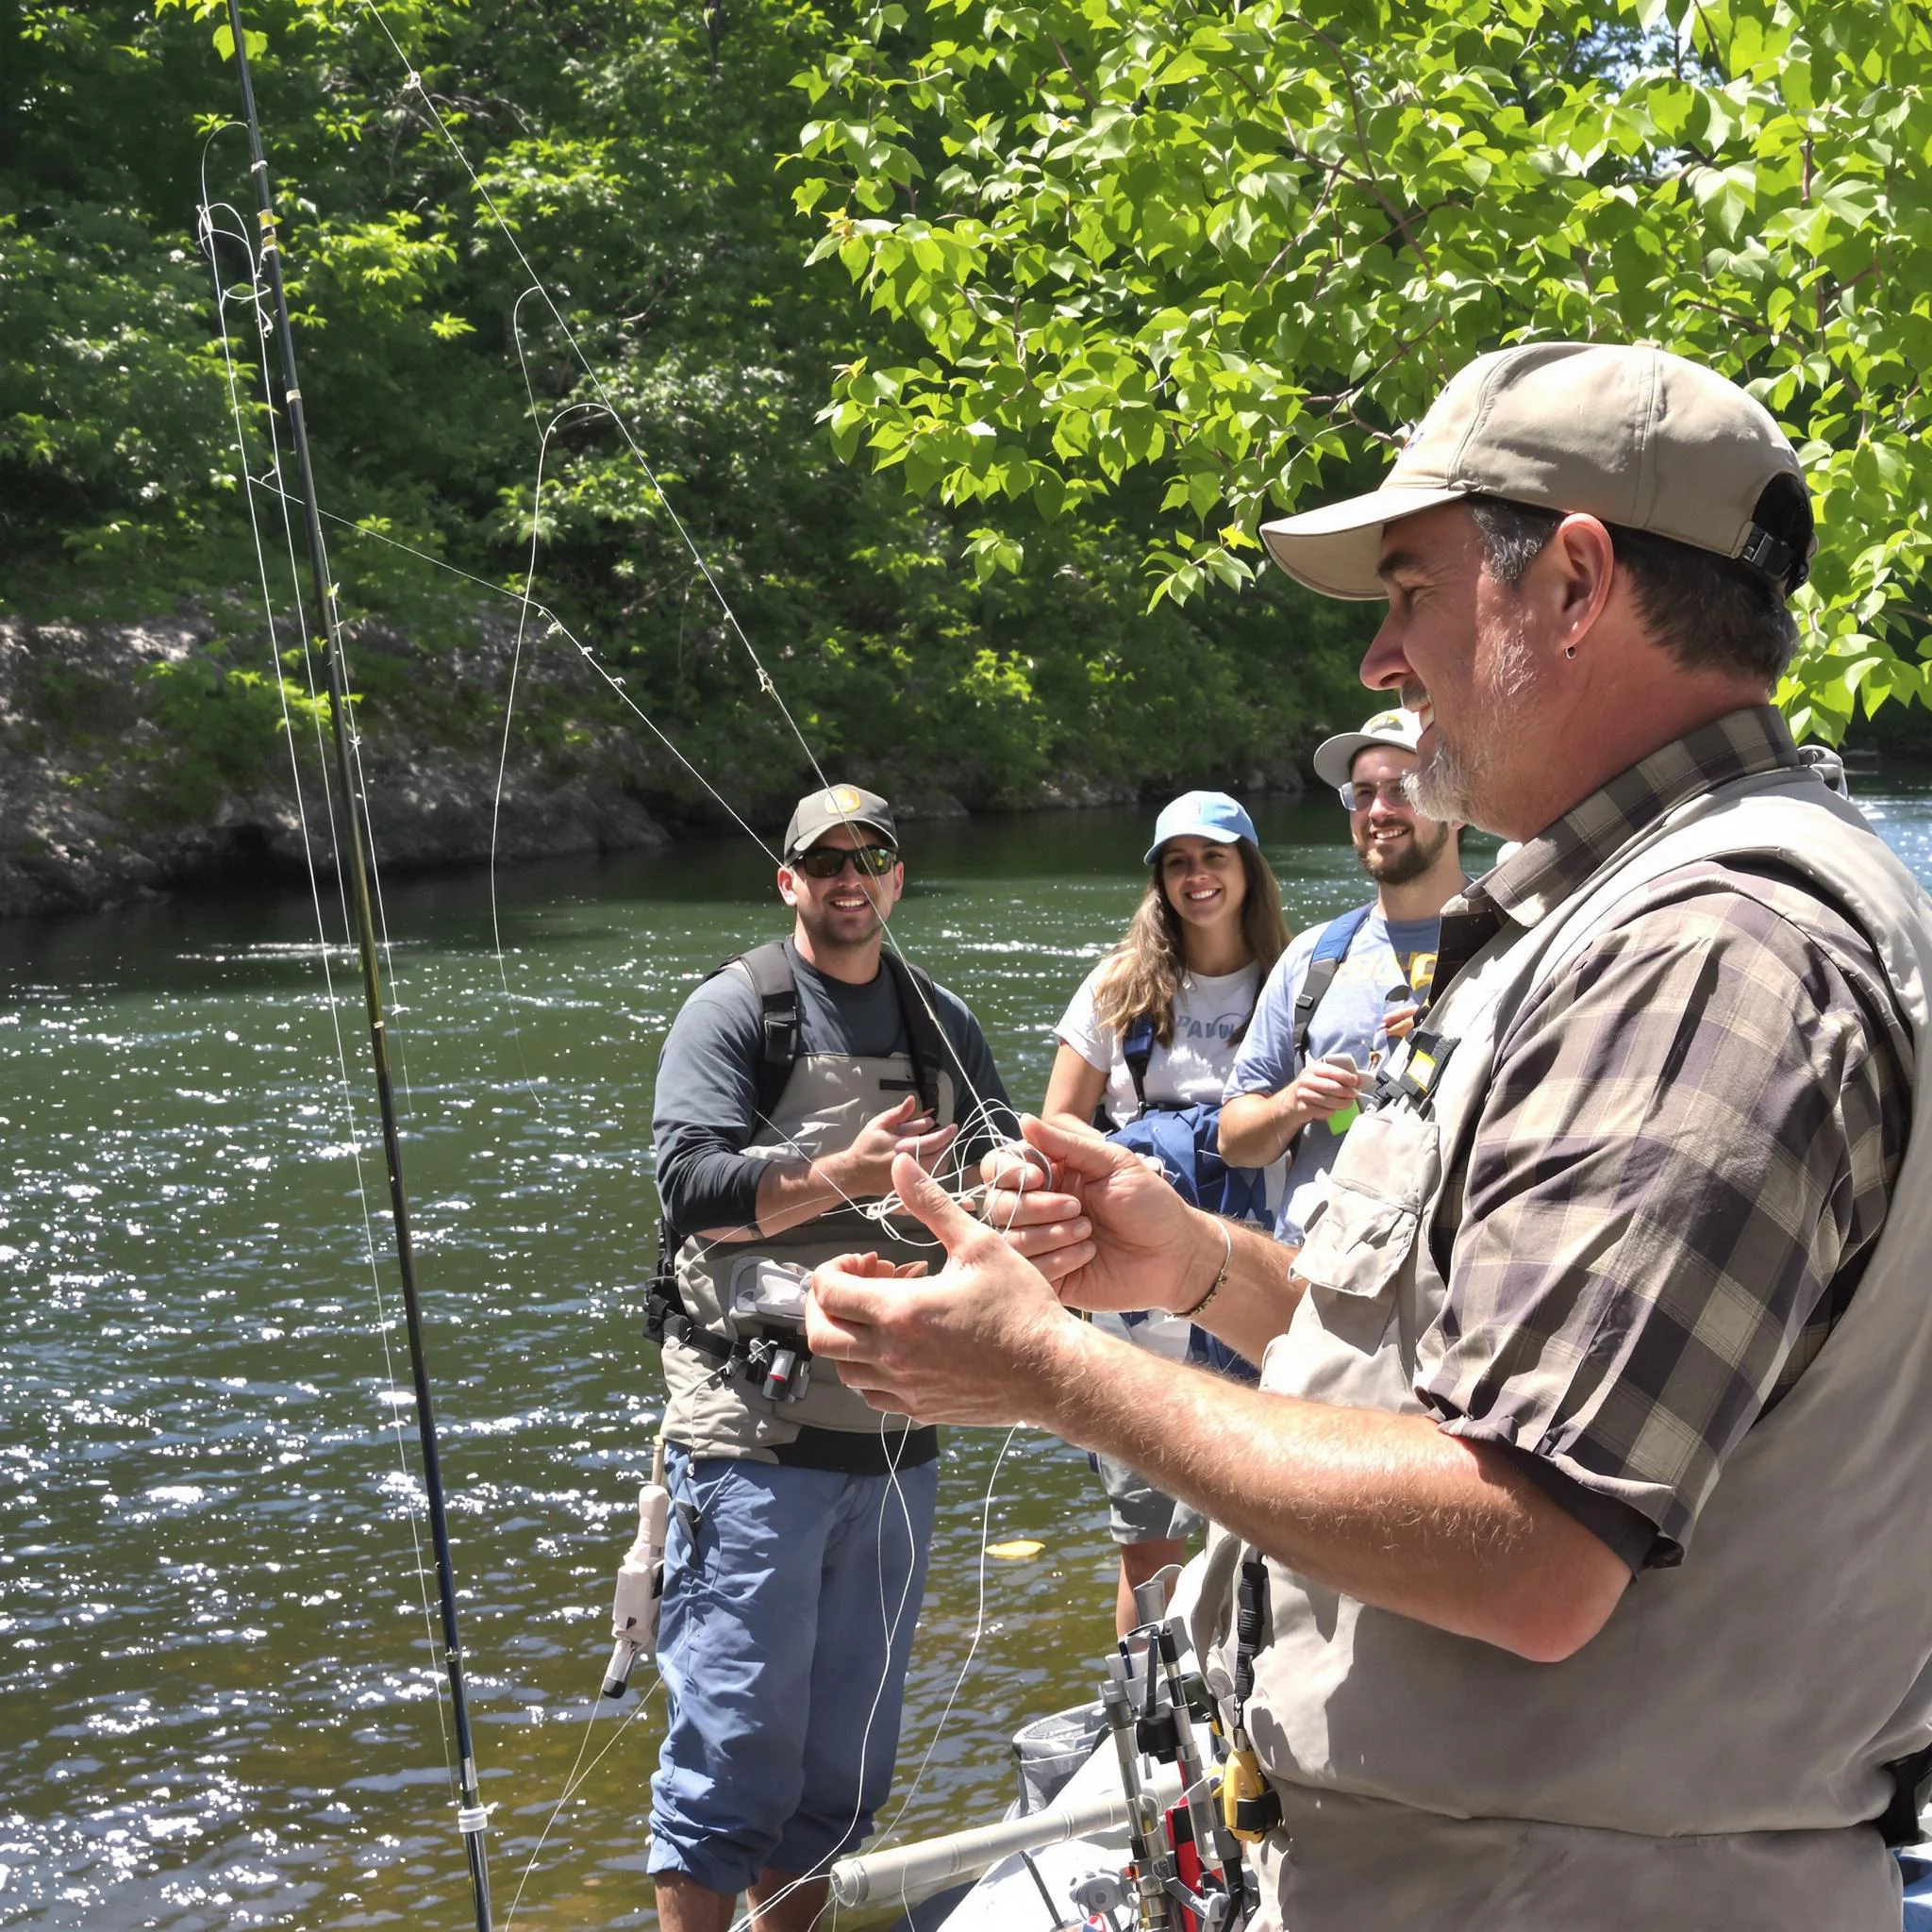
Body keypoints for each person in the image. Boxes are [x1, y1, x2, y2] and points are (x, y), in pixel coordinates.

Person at [804, 342, 1932, 1930]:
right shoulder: (1627, 919)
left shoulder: (1709, 958)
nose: (1379, 658)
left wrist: (1051, 1372)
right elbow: (1467, 1370)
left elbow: (1525, 1542)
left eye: (1410, 590)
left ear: (1575, 583)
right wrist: (1194, 1265)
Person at [645, 782, 1014, 1932]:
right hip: (752, 1430)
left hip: (898, 1431)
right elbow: (688, 1187)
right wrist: (838, 1176)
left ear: (896, 877)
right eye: (825, 861)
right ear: (788, 880)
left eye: (870, 857)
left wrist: (1014, 1181)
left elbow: (997, 1151)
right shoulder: (733, 1011)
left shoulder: (940, 1019)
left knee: (841, 1764)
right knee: (731, 1749)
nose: (849, 878)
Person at [1042, 790, 1289, 1635]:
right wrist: (1149, 1159)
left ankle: (1249, 1691)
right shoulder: (1117, 986)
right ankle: (1152, 1704)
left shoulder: (1297, 979)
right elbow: (1058, 1123)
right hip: (1135, 1292)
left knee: (1269, 1515)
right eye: (1178, 862)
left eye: (1214, 857)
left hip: (1262, 1270)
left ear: (1248, 870)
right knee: (1149, 1537)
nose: (1197, 876)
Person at [1219, 710, 1464, 1247]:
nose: (1378, 811)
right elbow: (1235, 1141)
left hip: (1443, 1268)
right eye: (1362, 794)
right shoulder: (1314, 956)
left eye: (1403, 789)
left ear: (1457, 805)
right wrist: (1294, 1104)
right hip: (1311, 1264)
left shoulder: (1512, 941)